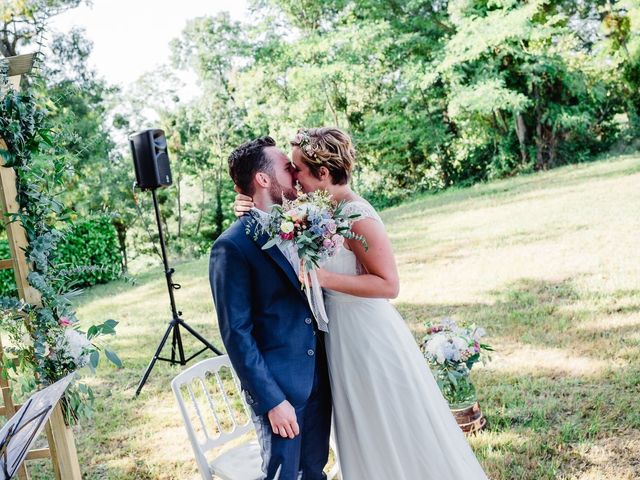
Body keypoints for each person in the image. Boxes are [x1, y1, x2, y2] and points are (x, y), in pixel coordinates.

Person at [233, 127, 489, 479]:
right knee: (363, 429)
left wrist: (325, 279)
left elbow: (389, 284)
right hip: (338, 339)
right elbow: (273, 208)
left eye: (298, 170)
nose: (293, 177)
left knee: (390, 423)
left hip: (368, 336)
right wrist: (248, 201)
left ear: (322, 174)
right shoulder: (317, 208)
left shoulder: (358, 214)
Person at [209, 136, 331, 480]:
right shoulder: (231, 247)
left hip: (318, 378)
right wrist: (273, 401)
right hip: (281, 393)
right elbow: (236, 334)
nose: (294, 172)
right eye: (286, 167)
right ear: (263, 179)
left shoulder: (299, 220)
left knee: (315, 472)